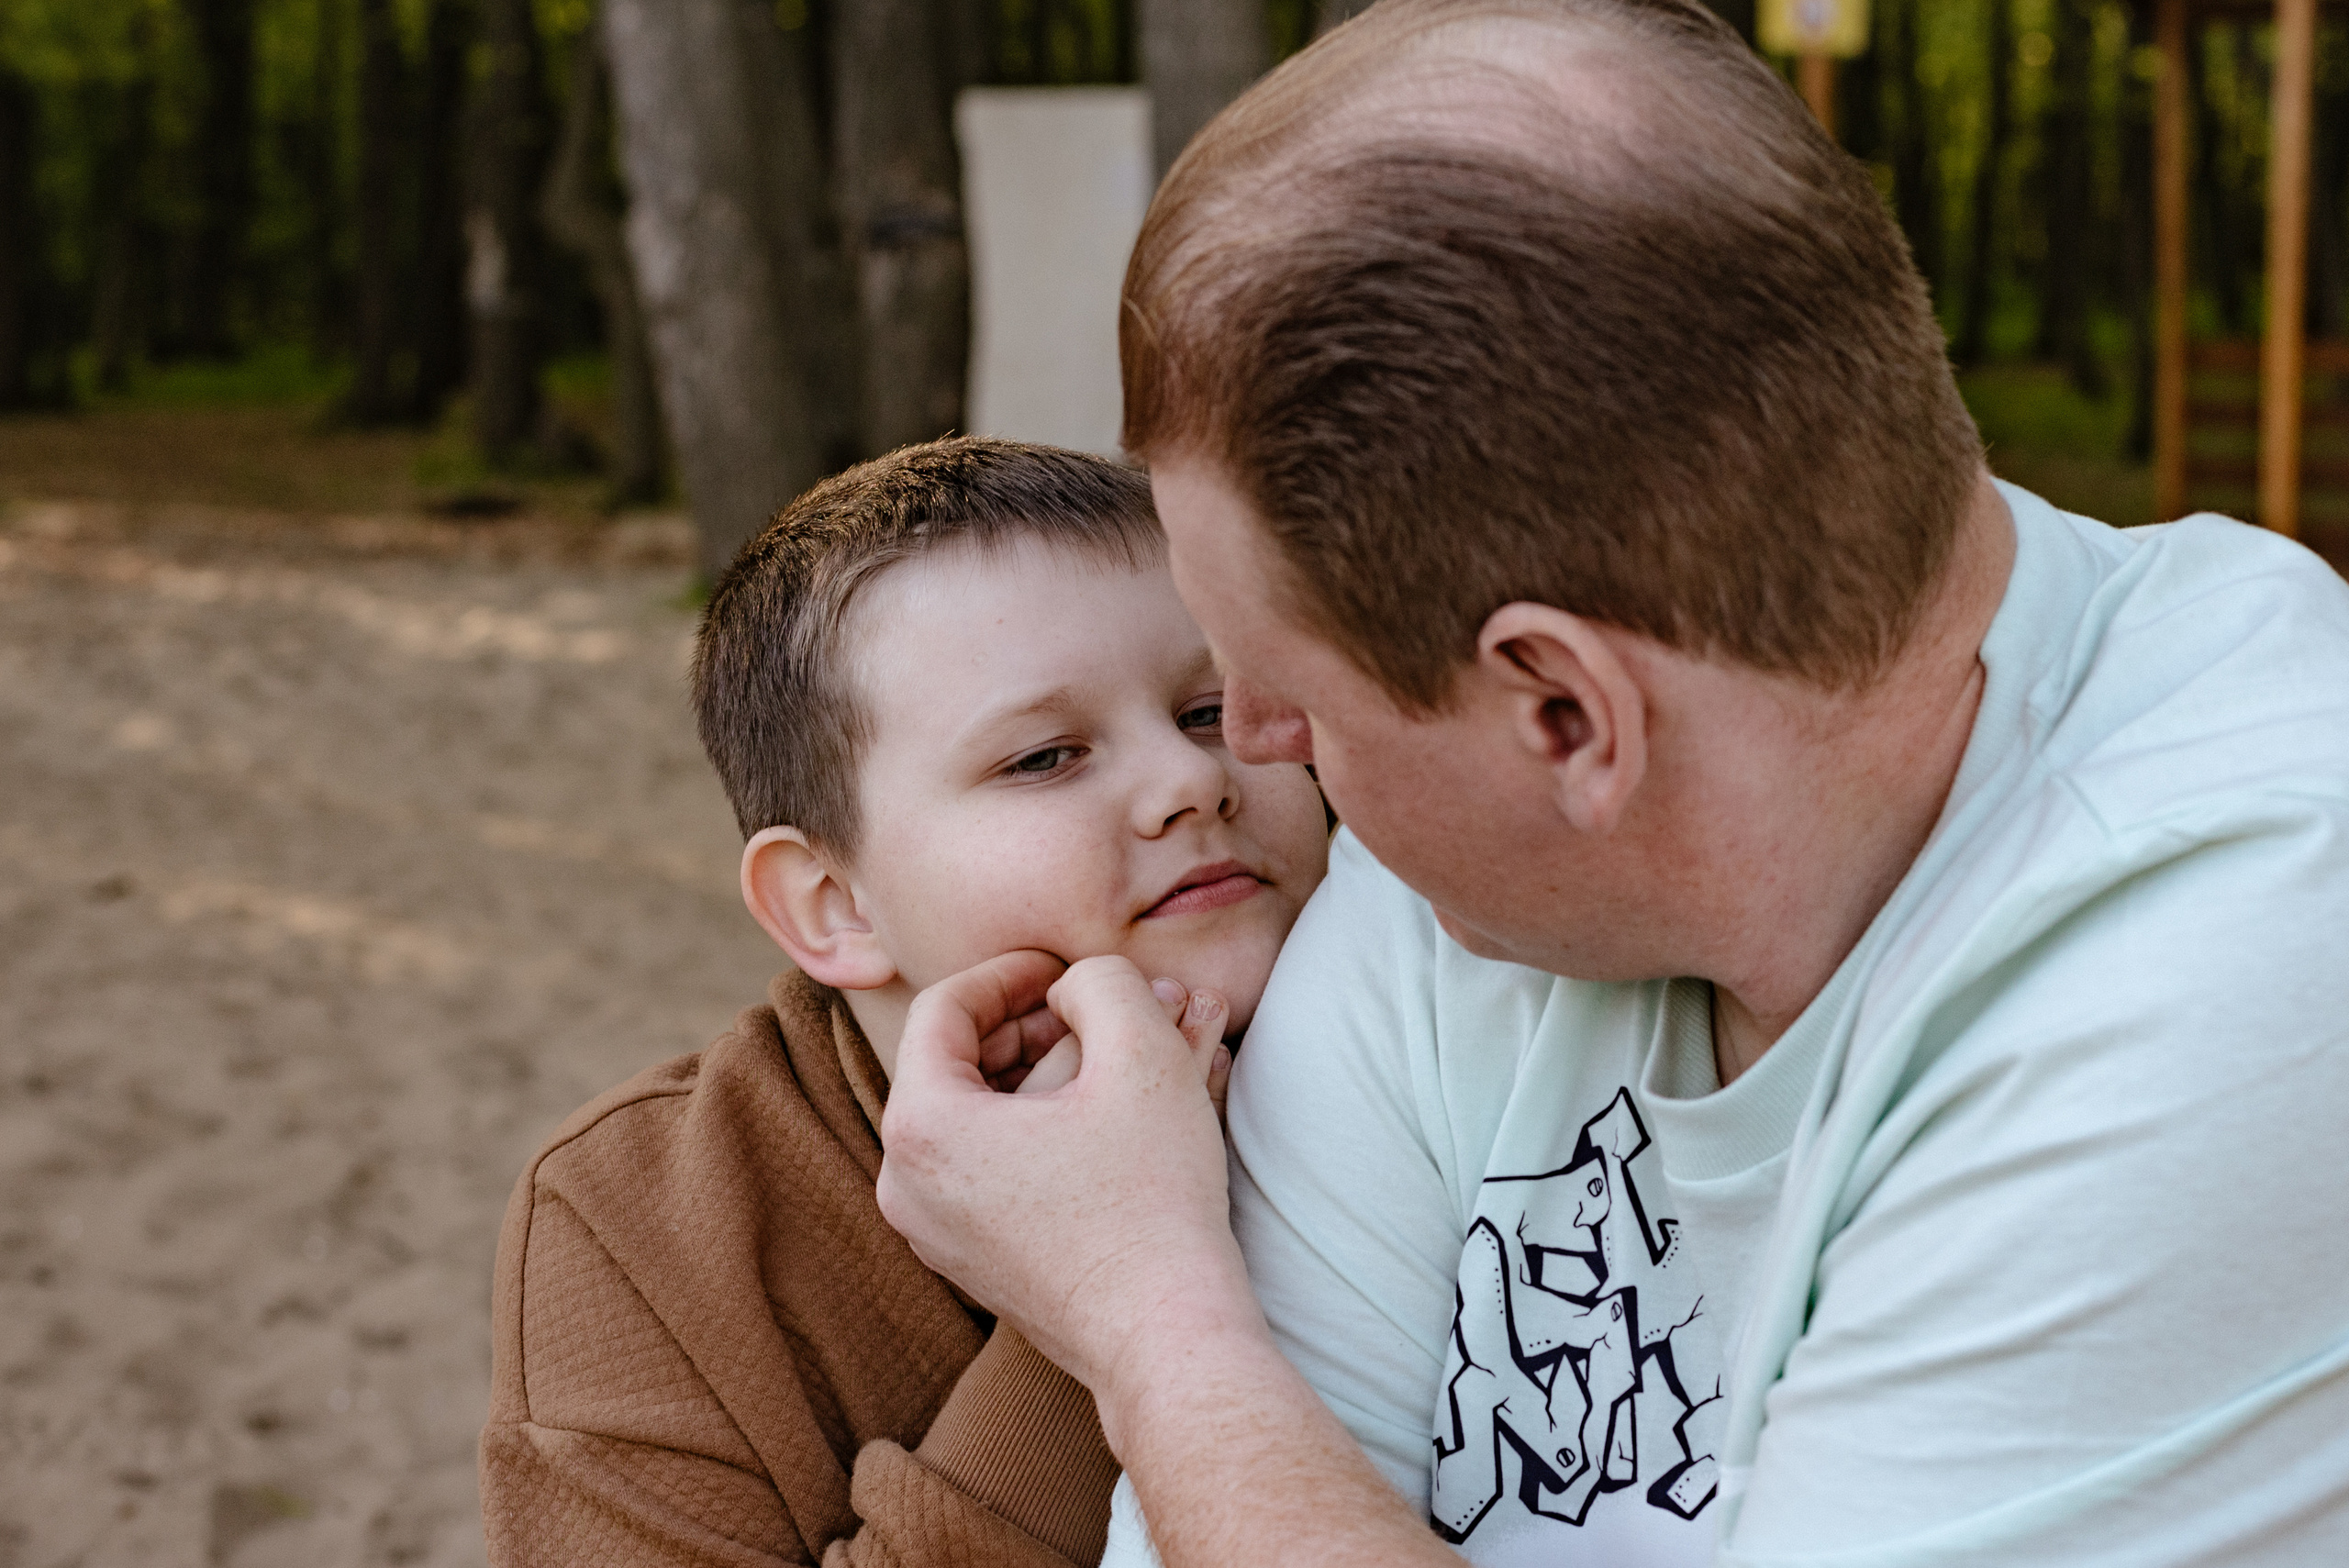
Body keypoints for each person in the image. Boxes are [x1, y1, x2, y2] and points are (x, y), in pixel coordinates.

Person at [871, 3, 2349, 1565]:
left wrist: (1158, 1328)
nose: (1252, 743)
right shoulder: (1468, 899)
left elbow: (1227, 1465)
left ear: (1567, 714)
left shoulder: (2233, 943)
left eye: (1291, 692)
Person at [477, 439, 1331, 1566]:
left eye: (1212, 708)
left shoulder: (1448, 1017)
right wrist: (1076, 1309)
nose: (1191, 780)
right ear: (833, 904)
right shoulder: (637, 1219)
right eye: (1045, 757)